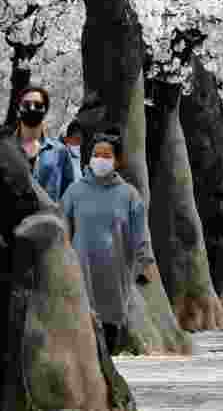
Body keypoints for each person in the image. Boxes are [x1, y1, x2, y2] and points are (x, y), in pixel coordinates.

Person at [61, 129, 152, 355]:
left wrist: (143, 266)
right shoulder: (74, 192)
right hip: (81, 272)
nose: (100, 159)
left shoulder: (129, 195)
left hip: (115, 276)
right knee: (83, 337)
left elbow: (140, 235)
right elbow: (61, 229)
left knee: (109, 341)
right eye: (96, 154)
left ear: (117, 160)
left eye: (106, 155)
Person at [15, 86, 75, 203]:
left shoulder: (60, 151)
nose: (32, 108)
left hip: (47, 219)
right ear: (18, 109)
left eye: (38, 105)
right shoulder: (5, 150)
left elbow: (68, 196)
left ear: (45, 110)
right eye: (26, 105)